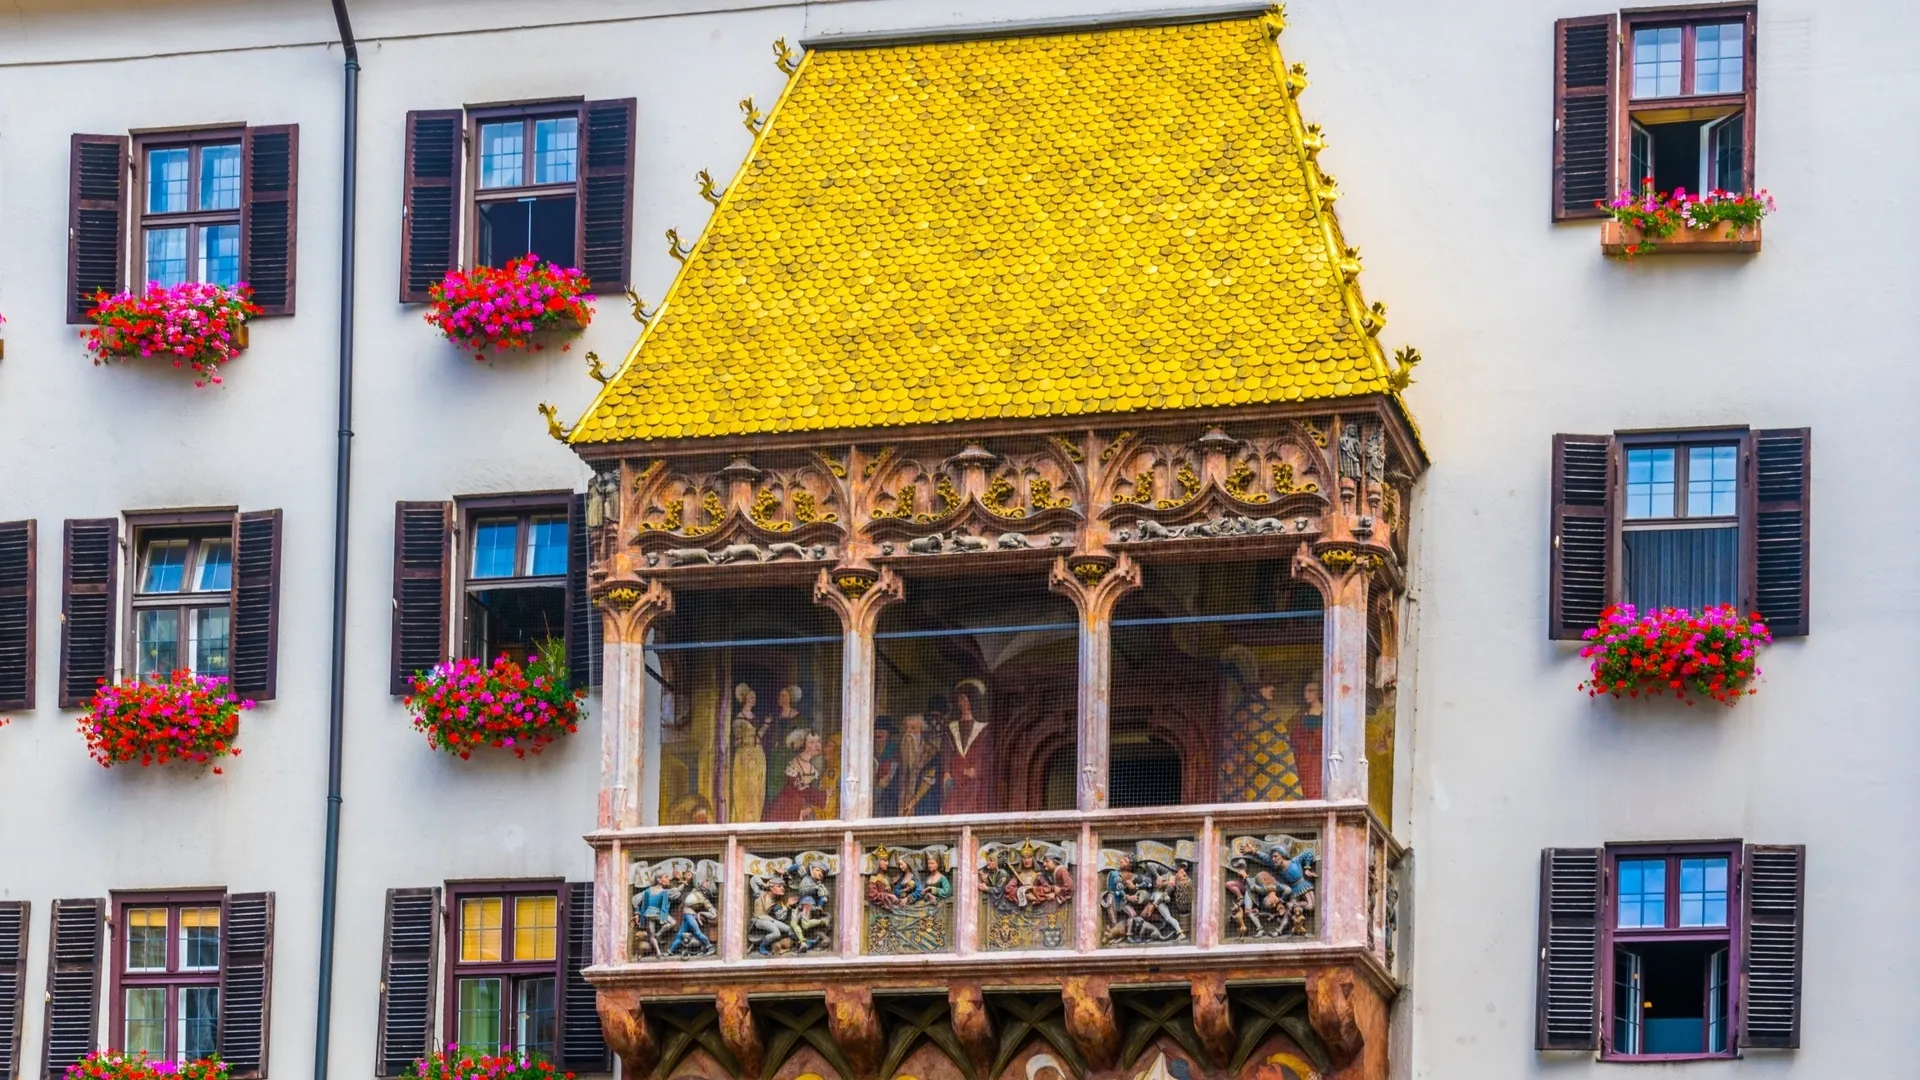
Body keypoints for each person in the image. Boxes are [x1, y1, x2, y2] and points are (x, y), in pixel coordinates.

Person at [940, 679, 992, 814]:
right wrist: (947, 773)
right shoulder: (951, 728)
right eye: (961, 699)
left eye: (967, 698)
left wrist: (976, 771)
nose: (964, 703)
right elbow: (946, 753)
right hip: (956, 781)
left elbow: (987, 756)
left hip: (975, 784)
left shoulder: (984, 729)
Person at [765, 728, 831, 821]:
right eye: (812, 742)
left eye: (818, 741)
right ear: (803, 745)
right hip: (787, 807)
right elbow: (801, 789)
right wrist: (824, 795)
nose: (817, 745)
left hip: (802, 807)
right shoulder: (794, 764)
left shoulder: (813, 768)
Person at [729, 683, 768, 822]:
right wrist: (745, 742)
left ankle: (755, 818)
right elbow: (737, 743)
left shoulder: (754, 716)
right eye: (751, 697)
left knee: (758, 787)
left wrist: (765, 725)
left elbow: (757, 738)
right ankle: (745, 819)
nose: (753, 699)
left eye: (754, 697)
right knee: (747, 787)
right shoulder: (738, 720)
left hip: (757, 755)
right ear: (744, 698)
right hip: (745, 757)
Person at [897, 711, 943, 816]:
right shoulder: (899, 753)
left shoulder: (932, 753)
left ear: (921, 730)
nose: (908, 732)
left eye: (913, 728)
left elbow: (929, 780)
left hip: (924, 805)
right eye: (906, 728)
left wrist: (914, 801)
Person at [1293, 679, 1325, 799]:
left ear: (1319, 692)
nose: (1307, 694)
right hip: (1304, 758)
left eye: (1311, 691)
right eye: (1305, 691)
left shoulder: (1327, 713)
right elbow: (1295, 736)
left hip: (1318, 758)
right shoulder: (1302, 714)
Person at [871, 716, 901, 817]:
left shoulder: (894, 749)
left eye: (882, 730)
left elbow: (892, 770)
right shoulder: (869, 749)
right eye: (876, 730)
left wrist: (886, 779)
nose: (878, 733)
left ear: (888, 733)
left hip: (889, 794)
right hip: (872, 792)